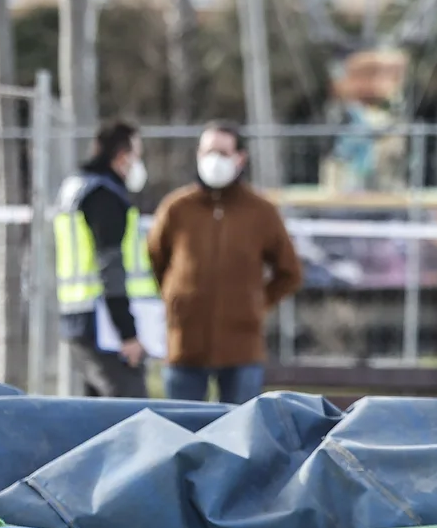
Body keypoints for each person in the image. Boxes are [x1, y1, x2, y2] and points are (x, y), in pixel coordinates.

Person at [148, 123, 303, 404]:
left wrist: (257, 303)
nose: (214, 159)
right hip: (185, 343)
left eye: (222, 151)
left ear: (240, 158)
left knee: (238, 433)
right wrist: (176, 296)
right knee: (179, 430)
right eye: (208, 151)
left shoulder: (261, 211)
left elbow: (289, 271)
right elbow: (156, 258)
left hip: (242, 349)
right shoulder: (177, 207)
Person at [55, 121, 159, 398]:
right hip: (104, 327)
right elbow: (111, 268)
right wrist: (127, 334)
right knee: (131, 412)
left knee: (96, 419)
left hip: (80, 318)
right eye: (137, 154)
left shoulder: (76, 190)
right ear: (123, 156)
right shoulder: (105, 198)